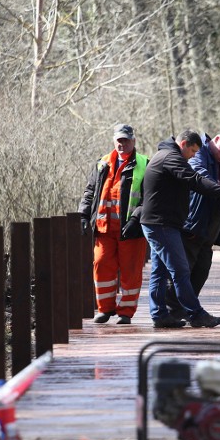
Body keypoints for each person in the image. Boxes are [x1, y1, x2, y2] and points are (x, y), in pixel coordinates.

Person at [140, 129, 220, 328]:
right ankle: (195, 314)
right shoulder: (172, 158)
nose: (194, 156)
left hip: (158, 222)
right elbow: (195, 180)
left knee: (160, 272)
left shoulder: (164, 155)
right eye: (193, 151)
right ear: (184, 145)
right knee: (180, 270)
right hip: (162, 224)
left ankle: (159, 315)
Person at [166, 130, 220, 319]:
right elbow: (204, 179)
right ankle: (172, 311)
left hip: (207, 229)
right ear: (217, 140)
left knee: (202, 269)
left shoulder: (219, 162)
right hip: (192, 223)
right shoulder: (199, 155)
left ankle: (187, 309)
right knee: (183, 270)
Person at [78, 123, 148, 325]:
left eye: (126, 140)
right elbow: (89, 191)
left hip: (131, 230)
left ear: (133, 141)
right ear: (113, 141)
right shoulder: (102, 163)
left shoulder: (144, 163)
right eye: (119, 140)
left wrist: (136, 218)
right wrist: (83, 215)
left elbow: (149, 198)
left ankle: (126, 312)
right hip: (104, 228)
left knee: (131, 271)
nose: (122, 144)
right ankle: (105, 309)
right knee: (101, 265)